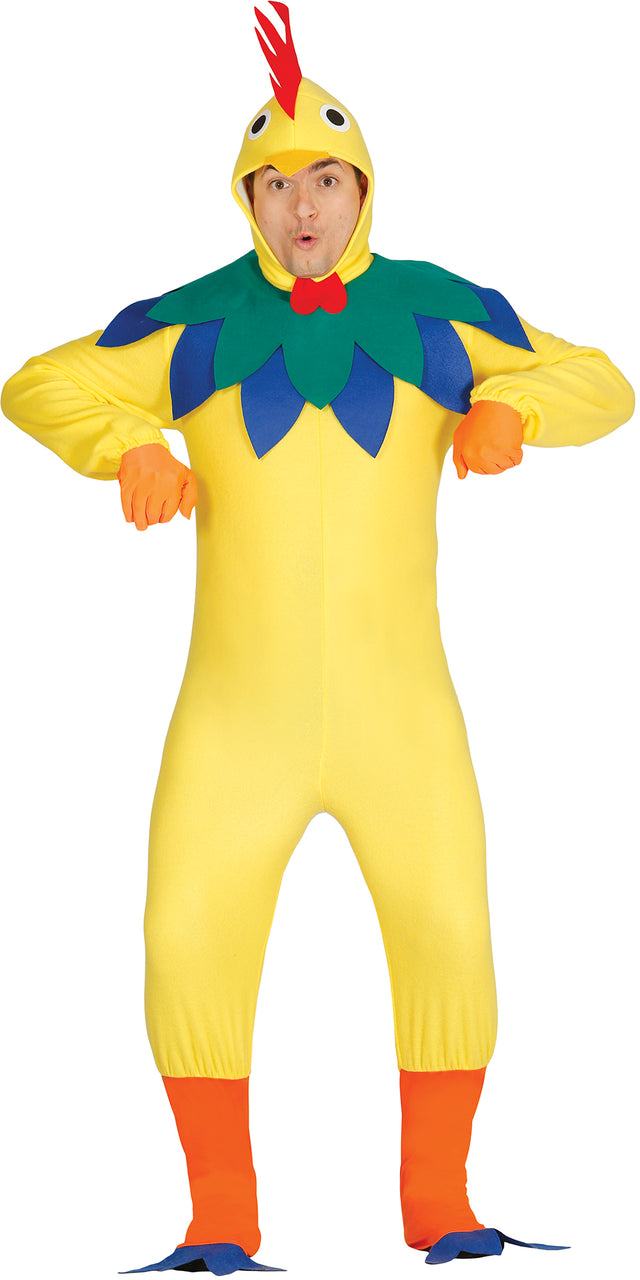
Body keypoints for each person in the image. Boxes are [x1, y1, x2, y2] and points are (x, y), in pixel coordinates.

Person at [1, 2, 634, 1272]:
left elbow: (603, 380)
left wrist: (511, 409)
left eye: (326, 179)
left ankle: (441, 1201)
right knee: (186, 933)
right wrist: (125, 444)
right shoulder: (191, 326)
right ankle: (218, 1216)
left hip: (404, 714)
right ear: (245, 198)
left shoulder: (440, 315)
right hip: (236, 720)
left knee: (450, 926)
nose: (303, 206)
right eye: (276, 182)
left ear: (364, 187)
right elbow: (38, 380)